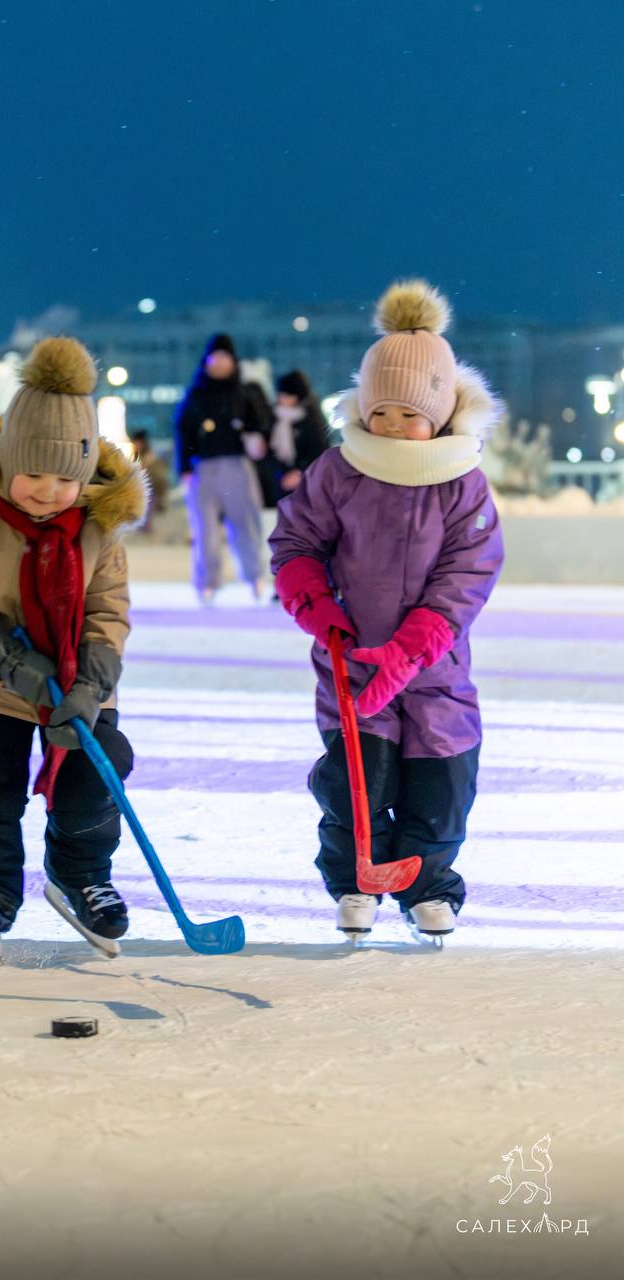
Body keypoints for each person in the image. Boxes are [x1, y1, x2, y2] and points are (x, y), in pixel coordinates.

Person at [270, 280, 504, 943]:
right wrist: (318, 607)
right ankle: (356, 880)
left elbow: (469, 570)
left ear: (441, 415)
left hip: (434, 668)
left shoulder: (462, 484)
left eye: (410, 413)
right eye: (381, 412)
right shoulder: (339, 472)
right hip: (353, 662)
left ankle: (426, 886)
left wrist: (413, 646)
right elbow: (295, 543)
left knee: (441, 781)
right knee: (355, 783)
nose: (394, 426)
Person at [0, 337, 147, 964]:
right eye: (33, 474)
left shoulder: (100, 527)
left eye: (65, 477)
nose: (48, 491)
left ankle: (82, 876)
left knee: (93, 783)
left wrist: (91, 686)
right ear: (6, 462)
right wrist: (12, 666)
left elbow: (109, 611)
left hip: (81, 688)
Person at [174, 333, 269, 602]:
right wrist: (184, 467)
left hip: (237, 464)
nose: (219, 363)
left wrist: (254, 437)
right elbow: (183, 431)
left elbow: (261, 423)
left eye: (224, 358)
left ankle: (255, 576)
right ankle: (207, 581)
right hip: (203, 467)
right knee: (205, 530)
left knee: (246, 523)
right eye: (214, 358)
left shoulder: (245, 391)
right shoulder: (196, 394)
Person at [270, 369, 330, 498]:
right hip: (281, 482)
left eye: (287, 395)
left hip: (308, 483)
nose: (282, 399)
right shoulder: (276, 417)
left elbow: (320, 453)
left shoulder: (311, 419)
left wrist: (301, 473)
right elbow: (272, 453)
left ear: (298, 396)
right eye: (280, 394)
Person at [128, 429, 169, 532]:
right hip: (138, 495)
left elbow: (160, 479)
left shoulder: (151, 458)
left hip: (150, 494)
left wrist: (162, 498)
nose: (137, 445)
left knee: (145, 524)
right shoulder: (135, 457)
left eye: (139, 442)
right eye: (135, 442)